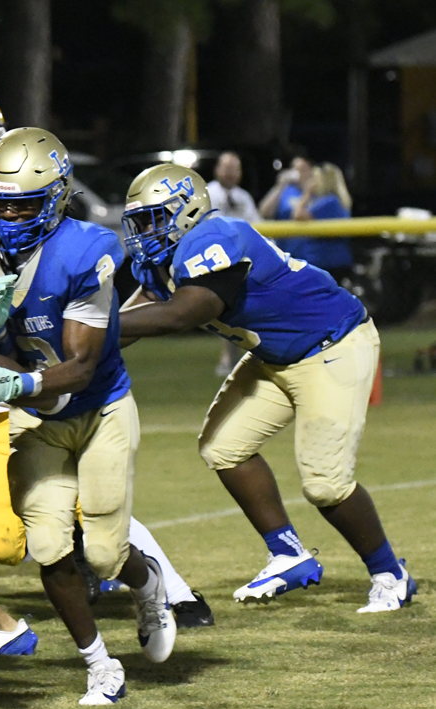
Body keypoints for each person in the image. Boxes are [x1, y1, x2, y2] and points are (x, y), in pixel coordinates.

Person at [117, 164, 416, 614]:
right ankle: (288, 553)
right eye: (139, 222)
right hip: (277, 356)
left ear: (186, 208)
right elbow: (134, 315)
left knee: (326, 485)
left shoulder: (216, 235)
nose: (144, 232)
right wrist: (71, 343)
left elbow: (184, 312)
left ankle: (391, 575)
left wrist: (97, 328)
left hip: (332, 344)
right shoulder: (164, 260)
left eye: (152, 219)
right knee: (223, 448)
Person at [0, 128, 178, 706]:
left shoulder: (86, 250)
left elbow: (80, 365)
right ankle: (99, 664)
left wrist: (19, 381)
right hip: (37, 417)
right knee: (49, 545)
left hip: (99, 408)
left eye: (24, 204)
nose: (8, 216)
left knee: (104, 553)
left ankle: (147, 581)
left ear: (55, 199)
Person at [206, 152, 259, 377]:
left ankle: (237, 359)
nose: (230, 173)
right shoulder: (207, 193)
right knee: (225, 312)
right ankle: (228, 358)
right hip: (214, 260)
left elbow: (256, 225)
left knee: (241, 311)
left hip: (240, 260)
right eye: (226, 168)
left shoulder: (243, 197)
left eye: (235, 168)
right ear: (217, 170)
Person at [287, 163, 354, 280]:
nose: (312, 182)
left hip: (326, 262)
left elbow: (297, 214)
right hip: (334, 261)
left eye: (315, 178)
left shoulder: (329, 201)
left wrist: (307, 193)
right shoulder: (337, 200)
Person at [258, 155, 312, 222]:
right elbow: (264, 212)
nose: (299, 173)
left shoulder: (315, 191)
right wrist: (280, 185)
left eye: (302, 169)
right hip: (284, 227)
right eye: (295, 169)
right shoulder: (286, 190)